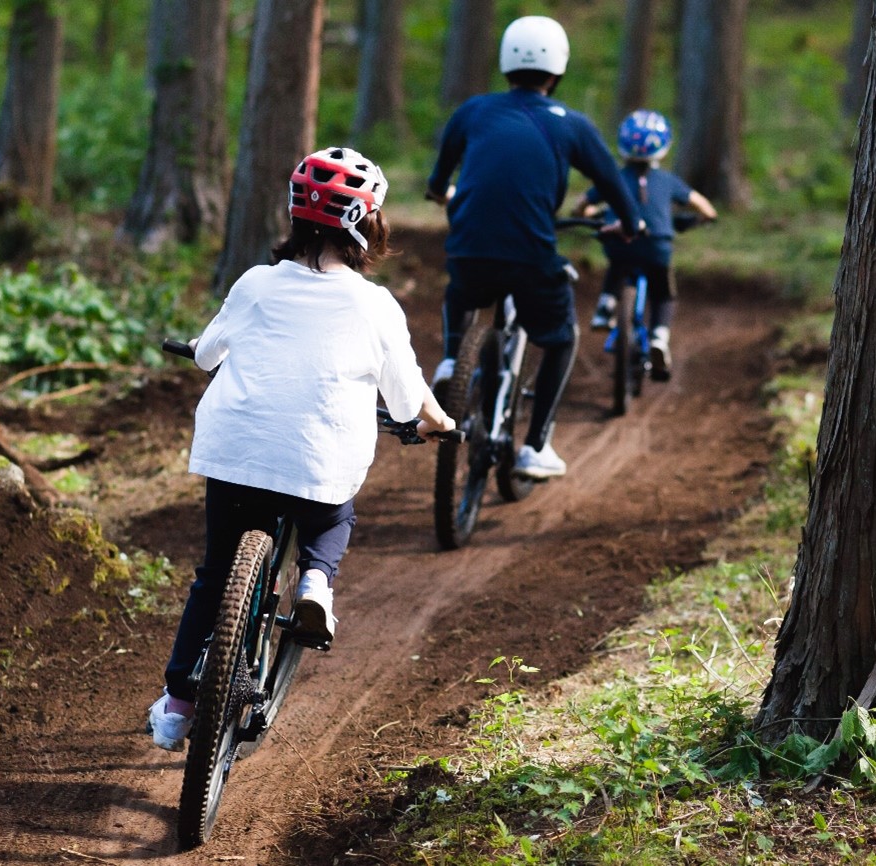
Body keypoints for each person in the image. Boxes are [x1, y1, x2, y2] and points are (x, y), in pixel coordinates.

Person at [148, 147, 456, 752]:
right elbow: (403, 397)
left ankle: (178, 707)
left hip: (235, 450)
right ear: (366, 222)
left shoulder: (257, 284)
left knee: (215, 575)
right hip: (318, 460)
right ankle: (316, 581)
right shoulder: (375, 305)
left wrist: (202, 345)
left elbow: (208, 353)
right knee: (332, 512)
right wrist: (435, 421)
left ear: (296, 215)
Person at [426, 15, 643, 480]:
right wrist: (630, 224)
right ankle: (536, 446)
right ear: (558, 68)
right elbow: (613, 183)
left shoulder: (473, 111)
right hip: (530, 257)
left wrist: (450, 197)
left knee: (460, 285)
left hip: (471, 249)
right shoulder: (573, 124)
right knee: (562, 338)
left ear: (505, 61)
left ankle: (449, 359)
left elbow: (437, 182)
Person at [579, 109, 717, 381]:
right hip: (657, 245)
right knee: (663, 292)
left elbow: (581, 204)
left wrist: (590, 215)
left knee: (617, 263)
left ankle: (606, 305)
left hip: (620, 240)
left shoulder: (614, 177)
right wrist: (700, 219)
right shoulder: (668, 180)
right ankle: (659, 338)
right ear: (663, 146)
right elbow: (705, 207)